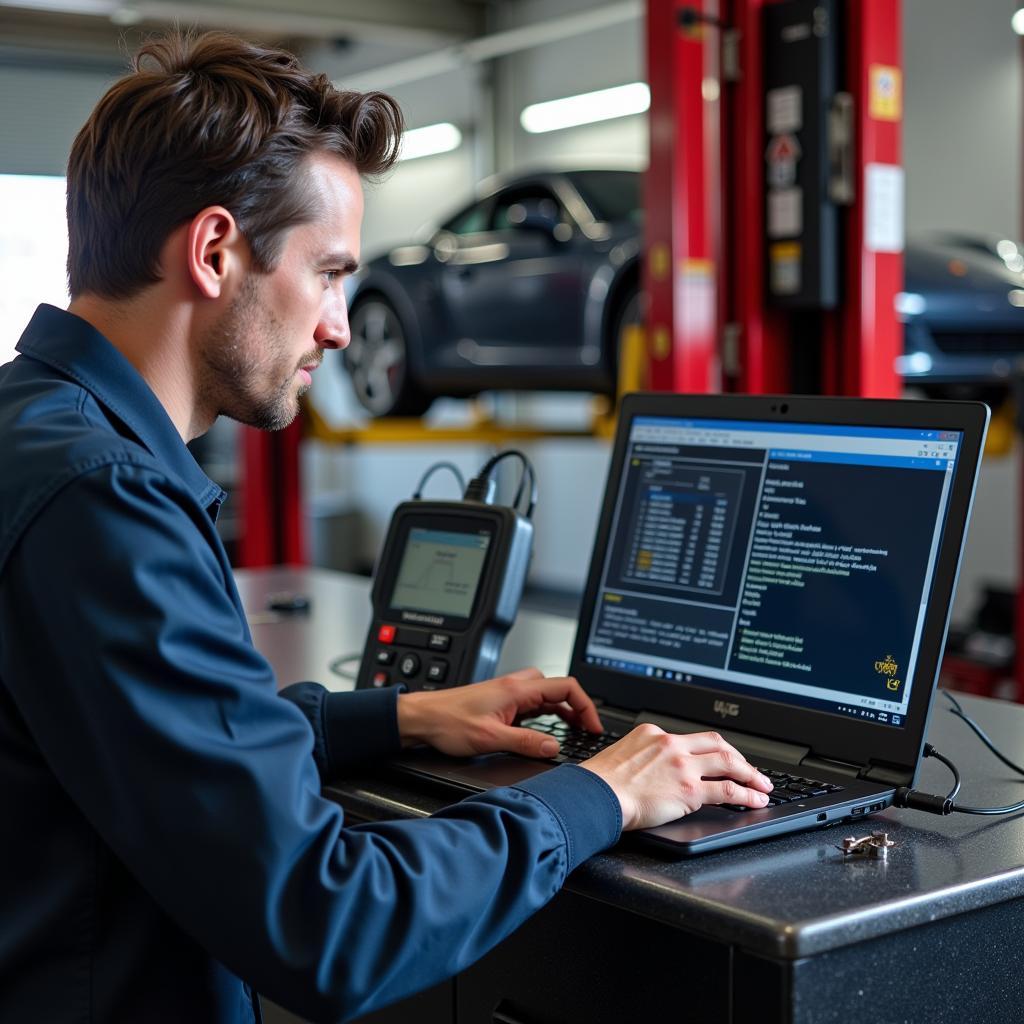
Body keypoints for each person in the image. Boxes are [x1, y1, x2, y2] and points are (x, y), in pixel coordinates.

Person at [0, 31, 773, 1024]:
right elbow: (328, 922)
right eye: (327, 273)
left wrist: (403, 717)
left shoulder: (36, 430)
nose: (337, 324)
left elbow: (157, 736)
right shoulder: (103, 497)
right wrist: (603, 793)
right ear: (213, 251)